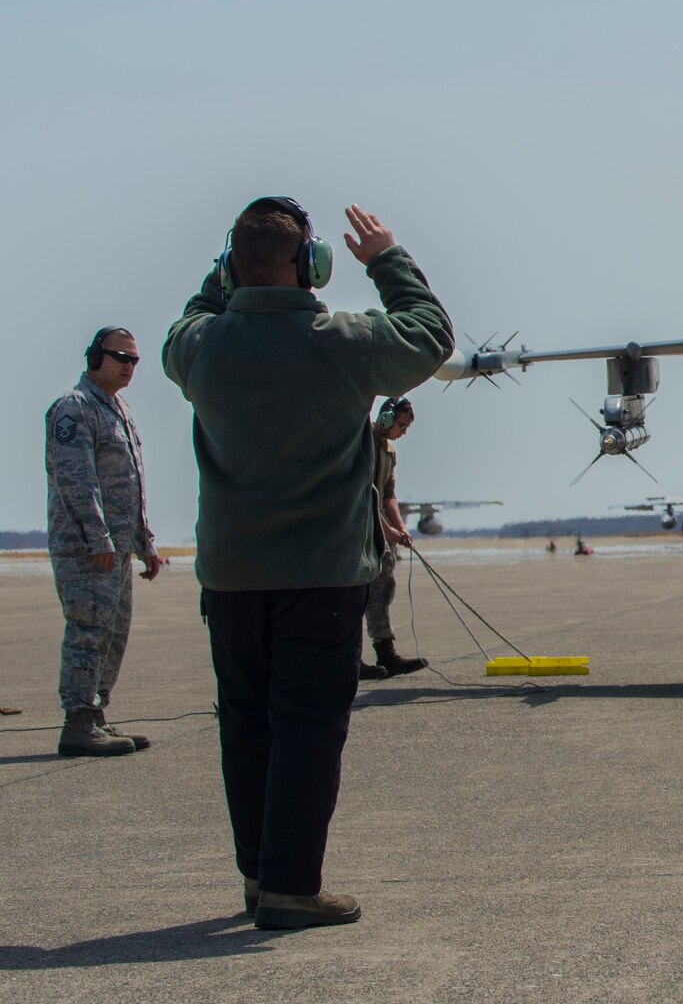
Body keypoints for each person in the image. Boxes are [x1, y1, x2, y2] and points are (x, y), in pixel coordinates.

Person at [164, 198, 451, 931]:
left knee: (246, 725)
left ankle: (260, 877)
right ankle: (294, 885)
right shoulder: (345, 339)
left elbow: (189, 319)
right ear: (310, 267)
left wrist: (225, 277)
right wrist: (386, 257)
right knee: (307, 726)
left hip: (231, 577)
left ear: (231, 269)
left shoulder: (201, 345)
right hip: (321, 576)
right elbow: (432, 335)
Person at [45, 326, 167, 757]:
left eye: (134, 360)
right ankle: (77, 722)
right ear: (95, 357)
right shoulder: (73, 409)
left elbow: (132, 484)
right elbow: (77, 482)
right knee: (88, 631)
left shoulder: (120, 409)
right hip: (87, 551)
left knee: (113, 634)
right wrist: (98, 538)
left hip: (118, 550)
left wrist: (146, 543)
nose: (129, 366)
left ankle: (95, 715)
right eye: (120, 357)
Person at [358, 397, 425, 680]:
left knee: (381, 592)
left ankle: (386, 653)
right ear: (385, 418)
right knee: (354, 597)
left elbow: (388, 495)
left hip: (378, 535)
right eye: (401, 425)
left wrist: (401, 529)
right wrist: (389, 532)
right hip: (358, 534)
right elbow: (363, 498)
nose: (403, 431)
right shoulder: (362, 444)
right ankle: (350, 659)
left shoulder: (389, 452)